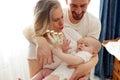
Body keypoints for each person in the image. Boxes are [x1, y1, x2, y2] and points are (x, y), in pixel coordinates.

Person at [23, 0, 101, 80]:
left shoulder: (69, 31)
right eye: (56, 20)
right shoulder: (36, 47)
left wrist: (85, 72)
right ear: (44, 22)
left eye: (62, 17)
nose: (62, 23)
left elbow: (90, 52)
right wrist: (41, 41)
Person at [34, 36, 101, 80]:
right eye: (81, 43)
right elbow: (68, 58)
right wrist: (64, 50)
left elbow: (74, 60)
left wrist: (59, 53)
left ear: (93, 53)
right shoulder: (77, 53)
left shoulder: (85, 55)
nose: (81, 45)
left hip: (63, 77)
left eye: (86, 45)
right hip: (58, 73)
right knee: (44, 72)